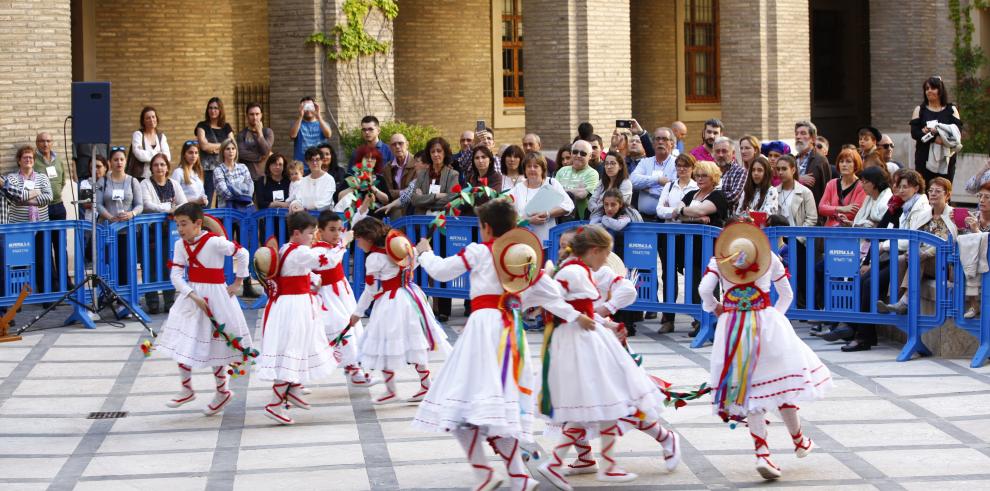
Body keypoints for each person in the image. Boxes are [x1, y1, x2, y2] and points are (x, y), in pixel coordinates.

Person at [412, 199, 584, 491]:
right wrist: (522, 296)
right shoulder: (523, 258)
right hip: (509, 329)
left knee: (463, 407)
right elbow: (553, 292)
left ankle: (492, 474)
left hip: (483, 330)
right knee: (494, 408)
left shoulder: (479, 251)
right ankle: (515, 476)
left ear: (486, 227)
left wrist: (425, 253)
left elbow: (441, 272)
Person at [535, 225, 679, 489]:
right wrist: (575, 315)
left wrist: (606, 320)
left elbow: (582, 307)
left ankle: (580, 462)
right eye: (605, 254)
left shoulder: (584, 271)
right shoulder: (575, 271)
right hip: (581, 344)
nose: (607, 260)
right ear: (594, 250)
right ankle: (589, 462)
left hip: (589, 342)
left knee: (604, 403)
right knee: (603, 402)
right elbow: (553, 300)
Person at [698, 222, 831, 480]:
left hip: (732, 326)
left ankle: (764, 451)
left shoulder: (719, 261)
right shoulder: (770, 258)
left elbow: (704, 289)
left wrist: (714, 307)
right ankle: (798, 440)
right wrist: (775, 318)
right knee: (778, 385)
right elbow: (787, 294)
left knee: (752, 387)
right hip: (767, 325)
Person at [154, 203, 252, 415]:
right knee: (183, 341)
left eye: (184, 224)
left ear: (198, 223)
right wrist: (192, 295)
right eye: (178, 224)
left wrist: (238, 283)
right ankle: (186, 388)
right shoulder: (181, 245)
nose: (180, 229)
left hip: (217, 296)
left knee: (216, 345)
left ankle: (223, 391)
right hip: (192, 297)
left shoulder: (215, 242)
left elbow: (242, 253)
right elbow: (176, 275)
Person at [350, 217, 451, 404]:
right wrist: (419, 250)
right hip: (411, 296)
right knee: (414, 342)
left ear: (368, 237)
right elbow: (413, 262)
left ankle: (391, 390)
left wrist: (357, 312)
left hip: (391, 303)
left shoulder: (373, 258)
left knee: (385, 343)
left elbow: (370, 289)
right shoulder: (397, 247)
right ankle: (426, 385)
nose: (357, 243)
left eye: (358, 239)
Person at [255, 211, 337, 424]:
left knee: (301, 345)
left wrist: (312, 278)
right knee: (293, 348)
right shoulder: (299, 251)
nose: (313, 237)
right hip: (295, 305)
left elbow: (299, 271)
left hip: (295, 303)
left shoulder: (287, 248)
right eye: (311, 234)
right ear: (297, 233)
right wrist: (342, 244)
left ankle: (294, 388)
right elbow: (325, 260)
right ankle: (275, 402)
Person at [312, 211, 374, 386]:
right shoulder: (318, 249)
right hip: (327, 296)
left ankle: (352, 366)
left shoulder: (335, 244)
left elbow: (354, 226)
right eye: (332, 229)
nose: (337, 234)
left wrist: (364, 207)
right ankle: (353, 368)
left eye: (339, 229)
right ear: (321, 230)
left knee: (351, 327)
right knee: (339, 327)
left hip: (341, 292)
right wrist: (344, 242)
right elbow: (330, 261)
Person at [878, 177, 956, 316]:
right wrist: (911, 251)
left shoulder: (953, 215)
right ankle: (894, 301)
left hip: (943, 262)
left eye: (938, 191)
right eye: (931, 190)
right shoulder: (924, 215)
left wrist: (923, 253)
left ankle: (905, 301)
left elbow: (948, 242)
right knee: (901, 259)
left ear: (947, 195)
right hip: (922, 258)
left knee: (918, 258)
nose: (933, 194)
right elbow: (914, 238)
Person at [671, 160, 730, 337]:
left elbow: (696, 211)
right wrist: (694, 218)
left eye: (704, 175)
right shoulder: (691, 194)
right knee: (693, 283)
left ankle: (713, 321)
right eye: (697, 175)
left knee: (709, 284)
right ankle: (698, 320)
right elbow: (677, 210)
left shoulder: (718, 196)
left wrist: (688, 214)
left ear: (713, 177)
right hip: (689, 248)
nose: (699, 178)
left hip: (709, 249)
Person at [655, 153, 699, 333]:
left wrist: (679, 212)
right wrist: (676, 212)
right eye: (679, 166)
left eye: (686, 166)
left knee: (694, 275)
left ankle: (697, 317)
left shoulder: (696, 187)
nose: (682, 169)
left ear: (692, 168)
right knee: (668, 275)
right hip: (670, 234)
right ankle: (668, 317)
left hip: (690, 236)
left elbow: (695, 210)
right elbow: (659, 209)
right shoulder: (669, 185)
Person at [141, 153, 188, 314]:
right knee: (151, 266)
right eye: (156, 165)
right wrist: (168, 209)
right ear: (151, 168)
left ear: (167, 167)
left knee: (170, 265)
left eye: (162, 164)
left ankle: (169, 300)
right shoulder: (146, 184)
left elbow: (184, 203)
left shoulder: (174, 183)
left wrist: (175, 209)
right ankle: (152, 301)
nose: (159, 168)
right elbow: (147, 205)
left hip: (171, 233)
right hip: (151, 233)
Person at [95, 146, 143, 295]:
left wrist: (131, 214)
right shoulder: (103, 181)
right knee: (110, 263)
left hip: (128, 230)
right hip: (108, 229)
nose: (119, 162)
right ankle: (110, 295)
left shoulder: (133, 181)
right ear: (110, 162)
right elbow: (98, 204)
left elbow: (140, 204)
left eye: (122, 159)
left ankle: (126, 296)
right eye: (115, 160)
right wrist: (110, 217)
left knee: (126, 264)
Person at [774, 154, 818, 309]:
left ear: (793, 170)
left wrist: (798, 237)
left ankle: (806, 308)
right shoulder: (774, 192)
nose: (780, 172)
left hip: (799, 240)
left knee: (802, 275)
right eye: (778, 169)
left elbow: (812, 218)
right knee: (780, 274)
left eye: (784, 169)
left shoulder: (805, 192)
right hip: (779, 239)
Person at [510, 152, 574, 246]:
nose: (532, 169)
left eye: (536, 166)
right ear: (524, 169)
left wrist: (548, 214)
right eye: (529, 166)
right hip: (524, 244)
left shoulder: (552, 183)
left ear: (542, 168)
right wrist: (529, 220)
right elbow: (510, 218)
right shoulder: (517, 188)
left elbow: (569, 206)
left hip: (548, 242)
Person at [911, 76, 963, 184]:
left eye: (933, 88)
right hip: (924, 159)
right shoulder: (920, 110)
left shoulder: (951, 109)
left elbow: (957, 133)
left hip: (946, 160)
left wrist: (936, 133)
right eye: (927, 88)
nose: (929, 91)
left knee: (944, 191)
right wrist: (934, 138)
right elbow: (915, 133)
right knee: (924, 191)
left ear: (940, 90)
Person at [630, 127, 676, 221]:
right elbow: (633, 180)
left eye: (664, 139)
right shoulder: (645, 162)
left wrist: (647, 189)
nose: (660, 142)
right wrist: (658, 180)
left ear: (672, 143)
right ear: (653, 143)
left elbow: (673, 191)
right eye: (657, 139)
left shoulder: (677, 164)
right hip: (644, 219)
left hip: (666, 221)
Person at [195, 98, 235, 206]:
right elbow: (203, 146)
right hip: (207, 169)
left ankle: (221, 222)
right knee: (206, 200)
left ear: (220, 110)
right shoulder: (202, 126)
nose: (213, 110)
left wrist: (212, 147)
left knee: (223, 200)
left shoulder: (226, 127)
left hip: (224, 168)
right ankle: (205, 221)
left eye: (216, 108)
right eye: (211, 108)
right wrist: (223, 146)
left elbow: (232, 144)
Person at [410, 137, 459, 215]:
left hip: (443, 221)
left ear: (445, 153)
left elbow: (451, 199)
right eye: (432, 152)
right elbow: (414, 200)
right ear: (429, 154)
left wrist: (423, 200)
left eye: (439, 151)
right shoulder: (421, 174)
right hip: (422, 223)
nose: (436, 154)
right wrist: (436, 196)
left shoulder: (453, 174)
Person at [819, 149, 865, 227]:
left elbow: (853, 212)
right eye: (841, 161)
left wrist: (831, 210)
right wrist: (842, 209)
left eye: (848, 161)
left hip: (849, 232)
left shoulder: (861, 186)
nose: (844, 164)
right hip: (830, 232)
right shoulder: (831, 183)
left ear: (856, 165)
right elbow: (821, 208)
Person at [555, 140, 600, 220]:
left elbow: (581, 194)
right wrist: (575, 190)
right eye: (575, 152)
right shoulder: (562, 170)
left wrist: (561, 190)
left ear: (590, 156)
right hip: (559, 218)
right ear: (571, 153)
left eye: (583, 153)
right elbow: (553, 192)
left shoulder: (592, 173)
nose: (578, 155)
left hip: (579, 220)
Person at [34, 132, 72, 221]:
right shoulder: (33, 159)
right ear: (36, 143)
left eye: (48, 141)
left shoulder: (58, 159)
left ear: (52, 143)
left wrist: (56, 192)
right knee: (42, 235)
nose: (45, 144)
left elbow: (63, 180)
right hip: (41, 206)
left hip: (58, 204)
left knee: (60, 234)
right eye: (42, 141)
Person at [794, 121, 832, 207]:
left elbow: (827, 191)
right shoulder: (792, 160)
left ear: (813, 139)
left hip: (812, 214)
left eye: (803, 133)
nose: (798, 137)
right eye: (796, 134)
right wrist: (797, 178)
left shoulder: (821, 160)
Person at [288, 147, 336, 212]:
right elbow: (298, 198)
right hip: (305, 217)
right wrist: (295, 204)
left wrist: (305, 208)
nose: (315, 163)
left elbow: (325, 203)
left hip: (323, 217)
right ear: (307, 162)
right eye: (311, 160)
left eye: (317, 159)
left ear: (322, 161)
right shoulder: (303, 180)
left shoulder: (329, 179)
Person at [380, 133, 416, 219]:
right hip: (393, 206)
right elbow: (387, 192)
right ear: (390, 147)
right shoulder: (387, 168)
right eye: (394, 144)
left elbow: (414, 191)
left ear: (407, 144)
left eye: (400, 143)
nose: (397, 146)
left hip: (412, 206)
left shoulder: (417, 163)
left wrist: (396, 193)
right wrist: (402, 192)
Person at [128, 107, 171, 180]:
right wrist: (158, 154)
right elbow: (139, 155)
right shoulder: (138, 135)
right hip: (141, 177)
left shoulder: (161, 137)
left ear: (156, 118)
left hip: (158, 177)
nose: (151, 120)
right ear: (143, 121)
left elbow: (167, 157)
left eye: (153, 117)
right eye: (148, 118)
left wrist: (147, 153)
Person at [290, 96, 333, 167]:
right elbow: (293, 135)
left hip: (319, 166)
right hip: (301, 167)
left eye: (310, 106)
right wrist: (300, 116)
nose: (308, 109)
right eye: (305, 106)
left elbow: (328, 135)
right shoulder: (297, 124)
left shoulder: (322, 124)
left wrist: (318, 115)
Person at [213, 139, 254, 210]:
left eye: (233, 148)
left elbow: (250, 186)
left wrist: (233, 189)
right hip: (227, 210)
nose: (231, 151)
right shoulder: (218, 170)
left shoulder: (243, 167)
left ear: (236, 151)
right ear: (222, 152)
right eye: (227, 149)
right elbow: (224, 192)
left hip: (246, 208)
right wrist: (243, 197)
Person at [237, 102, 275, 179]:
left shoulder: (267, 132)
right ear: (247, 116)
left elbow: (266, 151)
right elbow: (241, 153)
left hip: (265, 176)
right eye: (251, 114)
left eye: (257, 114)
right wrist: (261, 157)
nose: (255, 117)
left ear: (261, 115)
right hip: (247, 176)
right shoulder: (242, 135)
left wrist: (260, 134)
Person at [589, 151, 632, 218]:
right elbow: (592, 201)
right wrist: (597, 211)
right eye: (606, 164)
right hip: (598, 216)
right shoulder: (602, 182)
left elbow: (618, 205)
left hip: (617, 219)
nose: (609, 167)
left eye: (613, 163)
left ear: (620, 166)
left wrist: (598, 211)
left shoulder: (626, 183)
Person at [713, 137, 747, 210]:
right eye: (717, 151)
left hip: (729, 218)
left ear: (733, 153)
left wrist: (710, 196)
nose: (720, 155)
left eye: (724, 151)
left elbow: (733, 197)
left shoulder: (740, 171)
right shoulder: (709, 171)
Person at [172, 140, 209, 206]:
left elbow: (201, 194)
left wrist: (205, 200)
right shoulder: (178, 172)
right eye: (190, 152)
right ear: (184, 155)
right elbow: (174, 199)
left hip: (198, 210)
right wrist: (195, 201)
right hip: (184, 212)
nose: (193, 155)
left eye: (196, 153)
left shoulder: (198, 172)